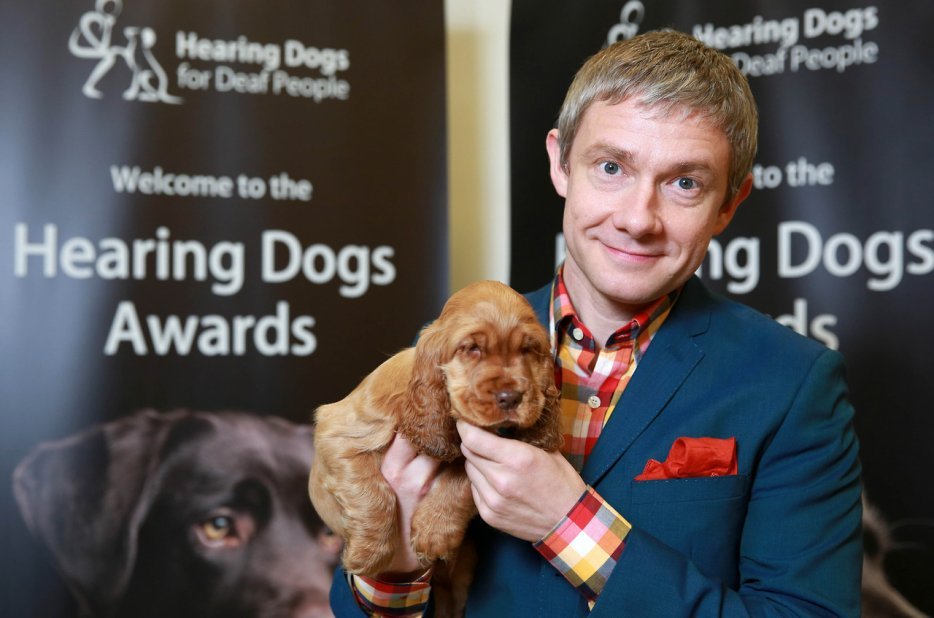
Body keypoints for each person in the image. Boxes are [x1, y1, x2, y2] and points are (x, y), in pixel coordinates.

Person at [329, 29, 862, 616]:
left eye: (685, 183)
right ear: (560, 164)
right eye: (611, 167)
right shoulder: (458, 350)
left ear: (729, 205)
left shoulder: (792, 383)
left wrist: (569, 524)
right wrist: (397, 564)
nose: (638, 219)